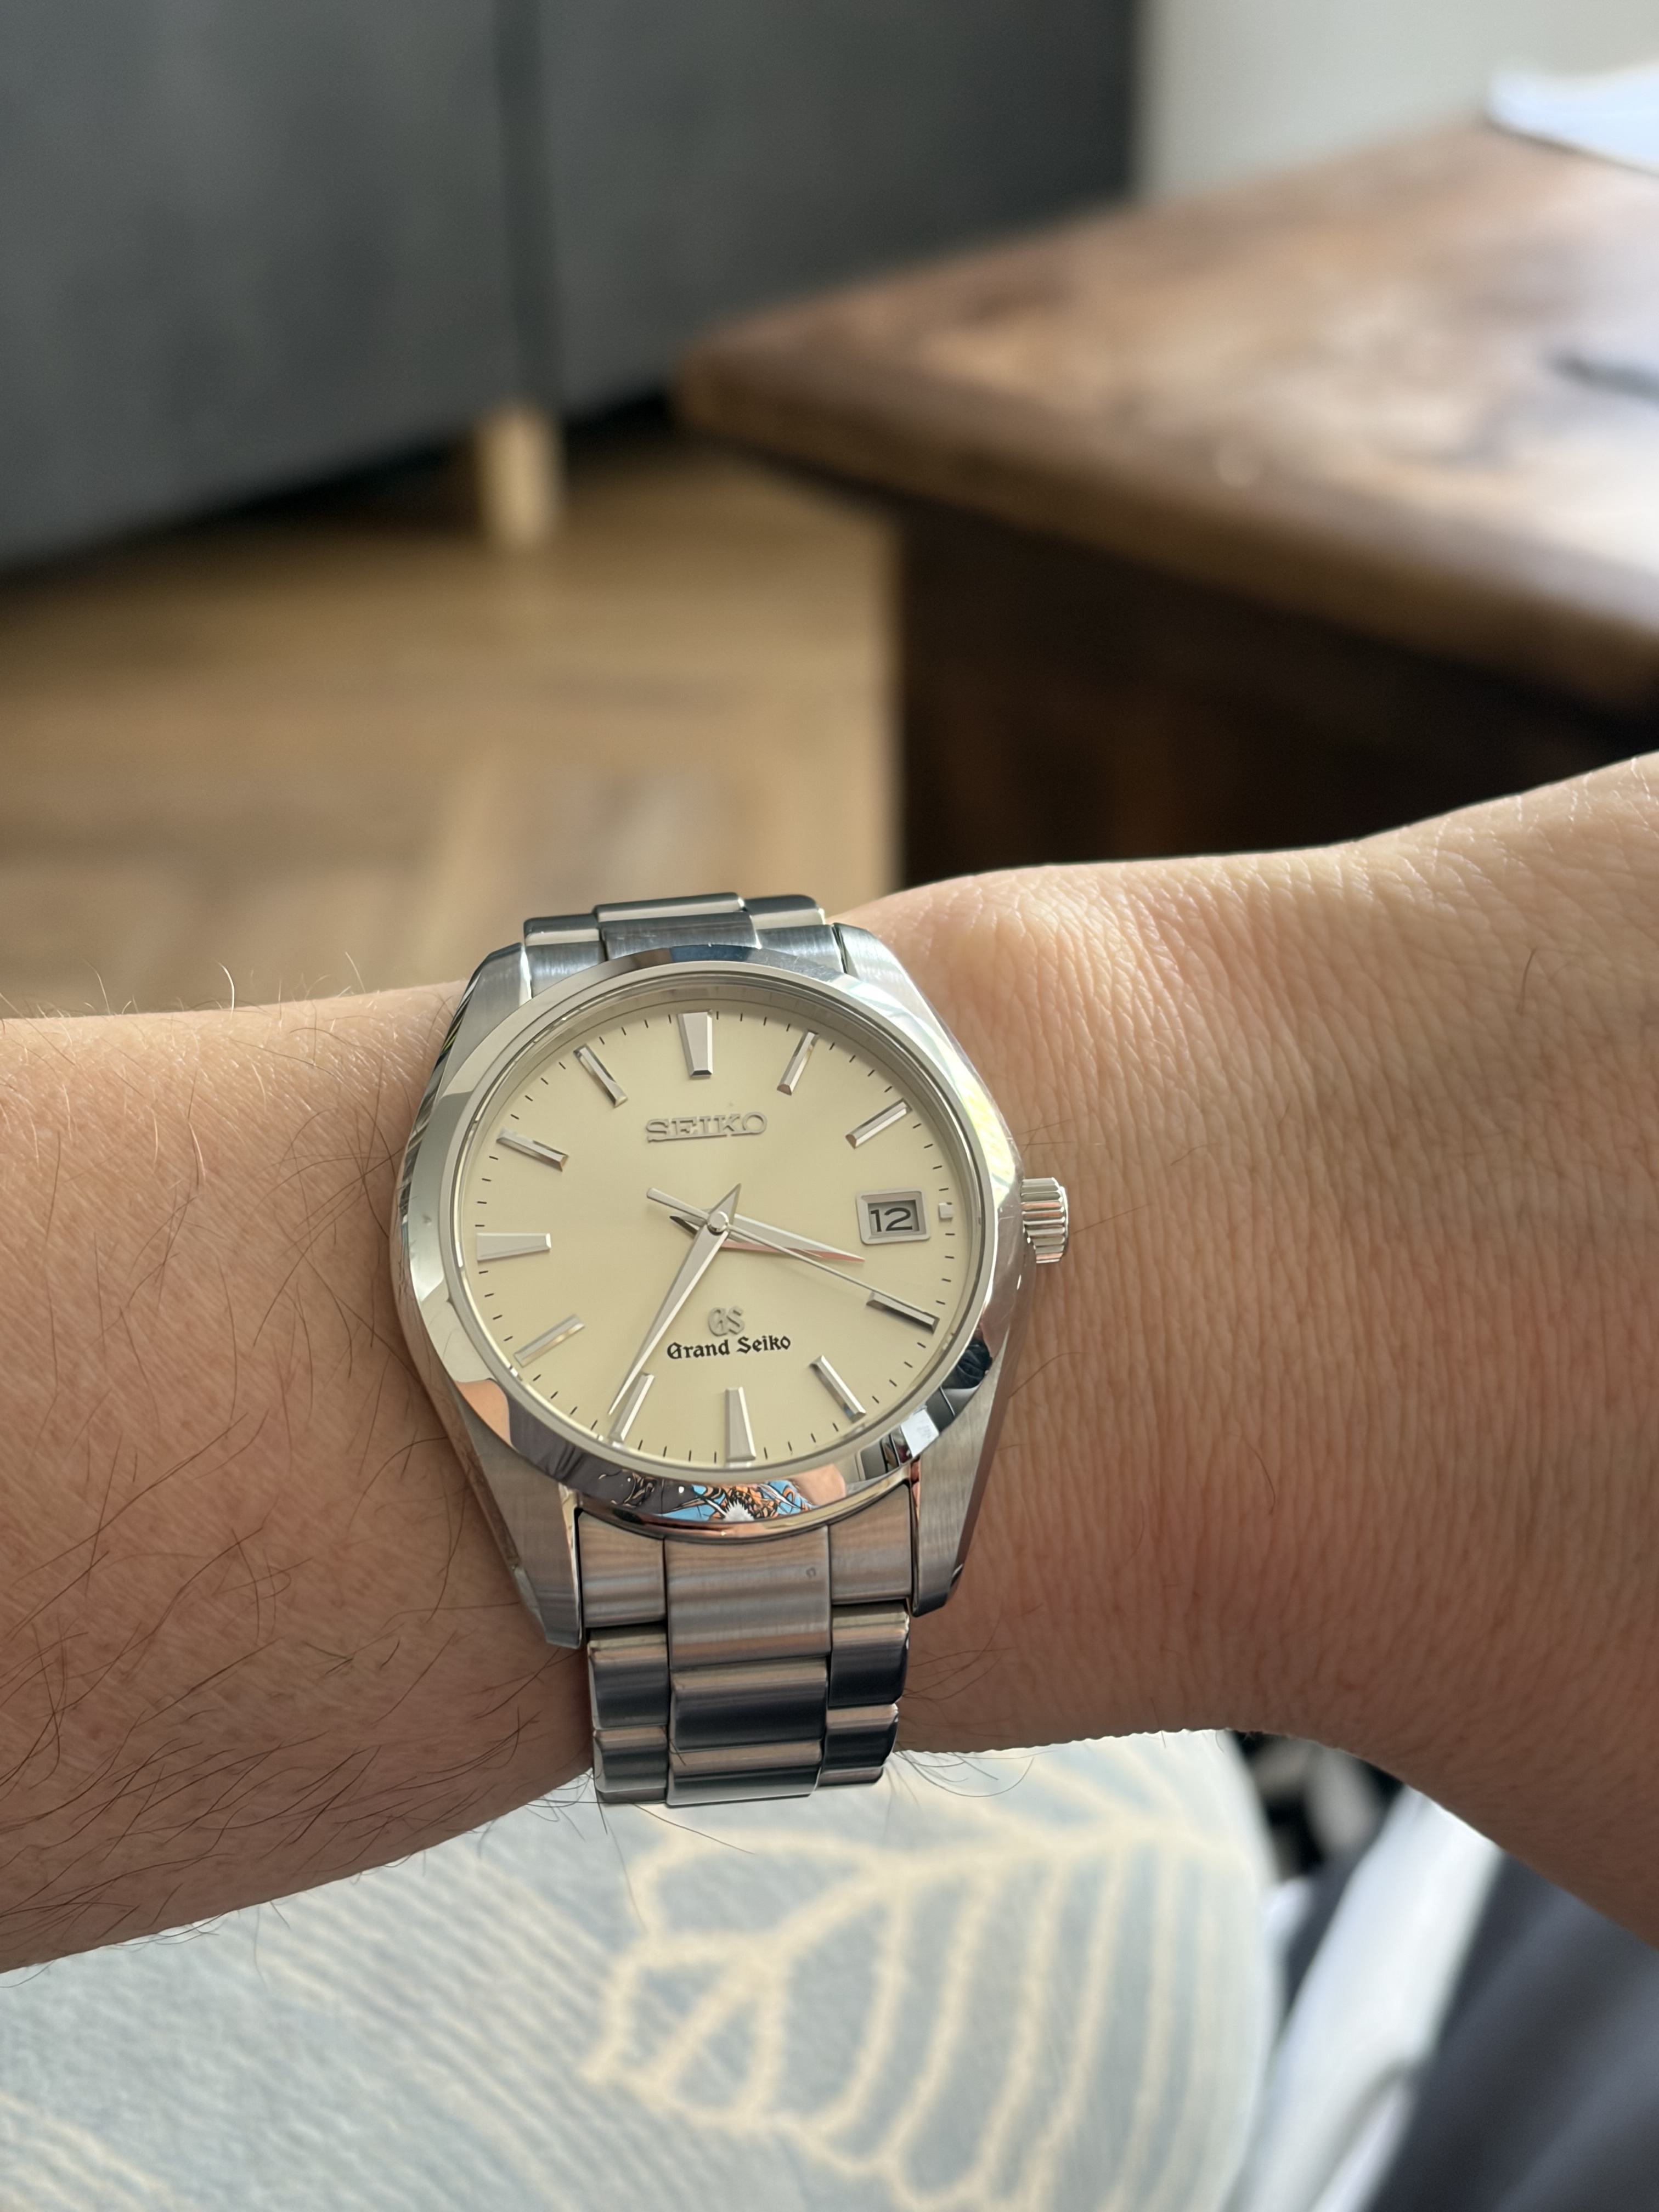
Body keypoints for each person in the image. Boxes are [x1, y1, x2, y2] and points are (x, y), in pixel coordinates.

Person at [2, 754, 1657, 1974]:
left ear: (1023, 1225)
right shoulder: (455, 1263)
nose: (723, 1231)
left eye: (737, 1221)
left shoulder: (966, 1222)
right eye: (707, 1223)